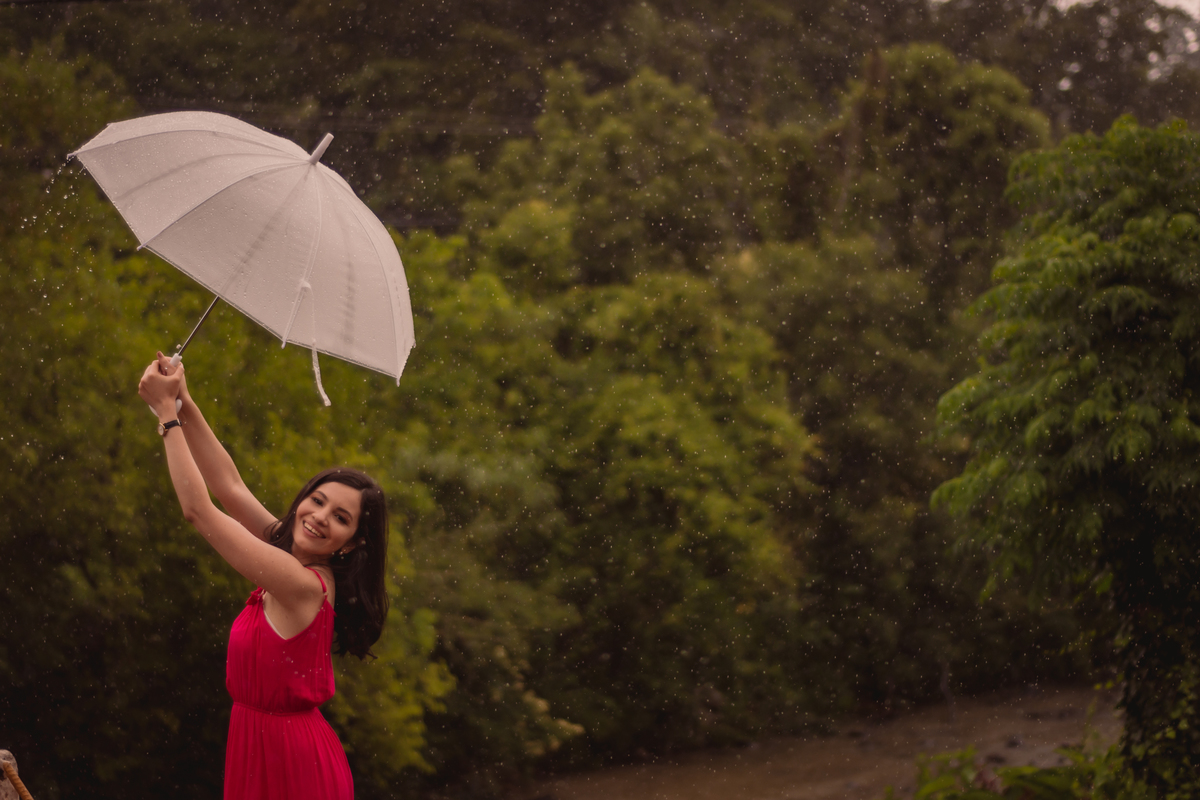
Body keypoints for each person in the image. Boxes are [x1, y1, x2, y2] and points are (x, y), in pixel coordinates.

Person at [138, 352, 389, 800]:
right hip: (256, 748)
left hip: (295, 767)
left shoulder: (303, 585)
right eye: (317, 500)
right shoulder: (286, 547)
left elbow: (199, 512)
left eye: (341, 517)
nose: (319, 517)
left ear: (350, 543)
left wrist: (165, 418)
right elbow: (229, 487)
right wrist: (184, 401)